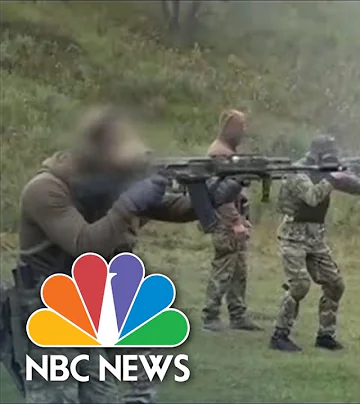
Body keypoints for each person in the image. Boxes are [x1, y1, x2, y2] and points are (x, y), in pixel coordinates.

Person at [9, 107, 243, 404]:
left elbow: (175, 208)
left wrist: (215, 193)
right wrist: (129, 203)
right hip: (48, 305)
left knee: (105, 394)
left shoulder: (110, 186)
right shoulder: (45, 189)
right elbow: (86, 245)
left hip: (92, 300)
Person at [269, 134, 360, 352]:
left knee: (335, 284)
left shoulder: (326, 172)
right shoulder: (297, 172)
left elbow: (357, 187)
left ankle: (325, 335)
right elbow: (311, 197)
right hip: (293, 235)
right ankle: (279, 335)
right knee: (299, 285)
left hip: (316, 237)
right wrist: (334, 177)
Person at [202, 109, 262, 332]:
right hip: (225, 221)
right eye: (241, 126)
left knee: (238, 270)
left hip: (234, 219)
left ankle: (238, 315)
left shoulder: (227, 152)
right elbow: (220, 196)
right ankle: (210, 315)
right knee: (224, 267)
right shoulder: (219, 154)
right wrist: (235, 221)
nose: (244, 131)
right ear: (231, 128)